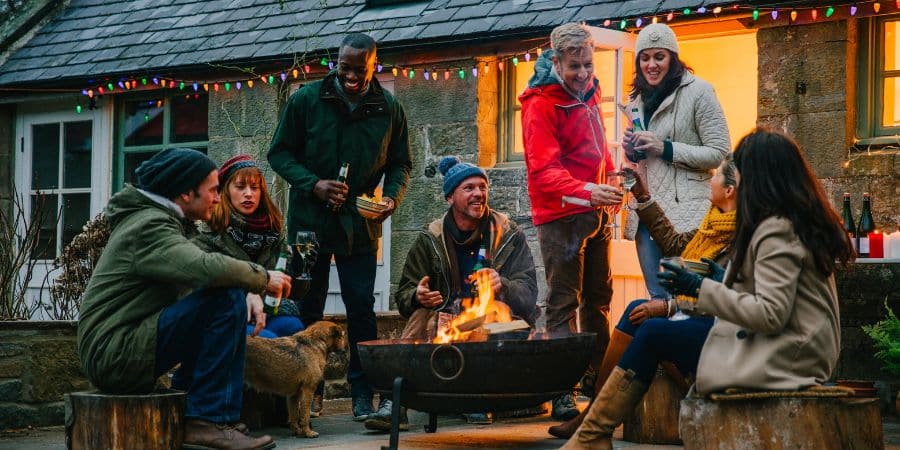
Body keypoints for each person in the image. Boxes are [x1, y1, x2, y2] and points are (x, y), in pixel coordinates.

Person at [562, 128, 854, 449]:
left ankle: (591, 436)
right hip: (792, 348)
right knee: (649, 327)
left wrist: (700, 288)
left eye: (738, 169)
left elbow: (769, 314)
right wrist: (715, 280)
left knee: (654, 333)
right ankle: (592, 433)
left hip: (787, 358)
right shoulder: (788, 222)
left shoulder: (776, 230)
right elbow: (757, 293)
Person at [77, 148, 293, 450]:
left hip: (125, 345)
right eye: (214, 190)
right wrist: (263, 278)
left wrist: (248, 293)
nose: (218, 199)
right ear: (186, 193)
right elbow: (203, 267)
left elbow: (196, 282)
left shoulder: (158, 221)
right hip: (114, 355)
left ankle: (208, 414)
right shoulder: (149, 227)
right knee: (225, 296)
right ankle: (207, 420)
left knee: (227, 295)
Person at [268, 32, 412, 421]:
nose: (351, 76)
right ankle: (305, 392)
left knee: (361, 309)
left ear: (373, 66)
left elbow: (401, 163)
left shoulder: (389, 108)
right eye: (344, 68)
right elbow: (278, 153)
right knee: (308, 306)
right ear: (336, 62)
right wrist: (314, 183)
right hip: (308, 226)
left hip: (359, 225)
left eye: (360, 70)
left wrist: (391, 199)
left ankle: (362, 394)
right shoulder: (305, 101)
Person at [550, 155, 738, 439]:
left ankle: (594, 427)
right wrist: (642, 195)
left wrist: (668, 306)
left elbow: (732, 299)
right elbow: (673, 243)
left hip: (719, 326)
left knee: (650, 325)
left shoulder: (742, 238)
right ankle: (592, 419)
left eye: (716, 175)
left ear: (730, 190)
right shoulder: (713, 224)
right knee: (637, 309)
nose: (709, 178)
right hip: (696, 314)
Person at [363, 156, 540, 431]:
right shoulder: (430, 238)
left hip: (500, 323)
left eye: (482, 187)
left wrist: (503, 283)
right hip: (448, 322)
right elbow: (404, 295)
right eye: (469, 188)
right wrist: (417, 296)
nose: (478, 194)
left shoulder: (507, 234)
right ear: (450, 197)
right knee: (422, 315)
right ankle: (393, 403)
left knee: (488, 321)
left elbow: (530, 293)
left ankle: (479, 401)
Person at [519, 22, 621, 420]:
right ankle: (561, 389)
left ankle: (599, 382)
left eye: (588, 65)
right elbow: (543, 171)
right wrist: (588, 190)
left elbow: (598, 149)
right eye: (574, 66)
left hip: (593, 211)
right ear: (556, 61)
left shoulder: (589, 94)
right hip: (560, 215)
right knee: (563, 304)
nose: (583, 74)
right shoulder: (540, 103)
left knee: (600, 301)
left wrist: (609, 177)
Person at [621, 22, 730, 303]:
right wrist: (632, 152)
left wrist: (665, 148)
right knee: (655, 296)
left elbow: (719, 152)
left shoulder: (700, 92)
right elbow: (646, 161)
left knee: (684, 300)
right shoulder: (635, 100)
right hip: (646, 215)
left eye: (659, 56)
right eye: (645, 58)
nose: (652, 65)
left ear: (673, 57)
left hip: (686, 215)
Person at [194, 154, 305, 339]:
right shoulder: (209, 235)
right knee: (266, 339)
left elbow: (289, 291)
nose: (249, 193)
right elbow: (202, 288)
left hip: (268, 311)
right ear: (225, 191)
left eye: (254, 188)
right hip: (226, 314)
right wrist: (245, 295)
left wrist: (302, 268)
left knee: (292, 327)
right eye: (240, 187)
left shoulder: (273, 234)